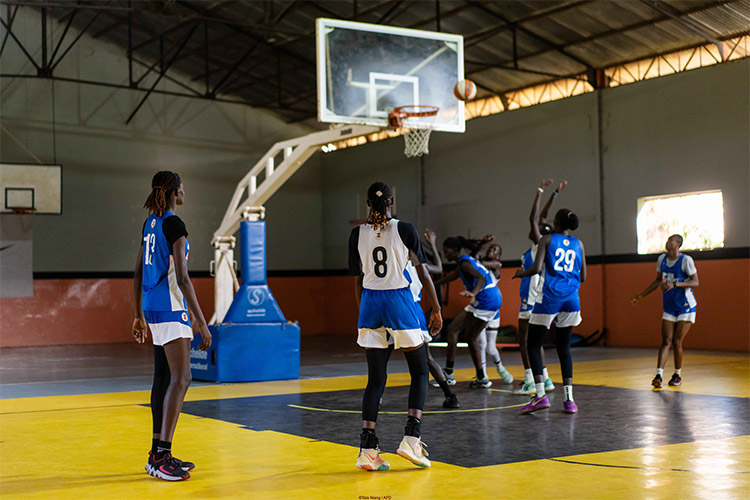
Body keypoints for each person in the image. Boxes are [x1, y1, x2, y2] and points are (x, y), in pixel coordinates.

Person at [349, 182, 442, 471]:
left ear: (367, 203)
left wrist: (363, 310)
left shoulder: (356, 234)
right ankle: (411, 439)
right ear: (391, 202)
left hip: (369, 301)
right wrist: (436, 309)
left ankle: (367, 448)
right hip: (398, 299)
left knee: (376, 379)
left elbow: (357, 279)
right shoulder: (406, 229)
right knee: (420, 370)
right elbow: (423, 273)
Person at [132, 171, 212, 481]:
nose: (185, 190)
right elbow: (182, 277)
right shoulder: (174, 225)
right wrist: (201, 323)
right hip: (170, 308)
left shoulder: (150, 223)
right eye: (183, 186)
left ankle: (156, 453)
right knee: (183, 378)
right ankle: (162, 456)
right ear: (176, 191)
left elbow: (137, 272)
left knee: (163, 378)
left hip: (152, 306)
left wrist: (138, 314)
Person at [514, 207, 585, 414]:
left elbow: (536, 269)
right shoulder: (579, 244)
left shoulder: (547, 239)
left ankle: (540, 396)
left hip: (551, 296)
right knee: (564, 348)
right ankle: (569, 400)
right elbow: (583, 277)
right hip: (572, 299)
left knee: (533, 344)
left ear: (556, 222)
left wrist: (521, 273)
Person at [514, 180, 565, 395]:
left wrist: (539, 191)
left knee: (525, 341)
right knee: (534, 341)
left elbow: (535, 218)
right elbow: (542, 219)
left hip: (532, 298)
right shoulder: (544, 244)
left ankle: (530, 380)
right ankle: (545, 378)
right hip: (537, 296)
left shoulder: (539, 243)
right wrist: (553, 193)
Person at [631, 234, 699, 388]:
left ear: (678, 245)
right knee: (666, 341)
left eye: (671, 240)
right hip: (669, 306)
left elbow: (695, 281)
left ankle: (677, 374)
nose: (668, 242)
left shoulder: (685, 260)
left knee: (676, 341)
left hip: (685, 306)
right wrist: (641, 295)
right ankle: (658, 376)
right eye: (667, 240)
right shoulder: (662, 259)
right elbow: (657, 280)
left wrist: (675, 284)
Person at [435, 236, 502, 389]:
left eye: (448, 251)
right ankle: (481, 378)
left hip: (486, 298)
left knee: (452, 330)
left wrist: (473, 293)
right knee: (471, 338)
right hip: (493, 298)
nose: (446, 255)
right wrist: (432, 284)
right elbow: (452, 276)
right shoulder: (464, 261)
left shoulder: (465, 263)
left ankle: (449, 374)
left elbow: (481, 279)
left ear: (456, 250)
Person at [408, 229, 459, 409]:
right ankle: (450, 395)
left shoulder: (399, 262)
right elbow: (439, 268)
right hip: (415, 312)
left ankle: (377, 398)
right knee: (427, 357)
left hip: (400, 309)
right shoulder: (419, 264)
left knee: (382, 355)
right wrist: (433, 245)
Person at [477, 244, 514, 384]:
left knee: (490, 348)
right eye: (490, 248)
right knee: (481, 344)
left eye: (494, 250)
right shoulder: (479, 264)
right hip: (479, 307)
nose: (490, 250)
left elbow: (481, 262)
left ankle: (500, 368)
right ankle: (483, 375)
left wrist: (476, 260)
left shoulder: (496, 265)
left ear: (498, 255)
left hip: (492, 311)